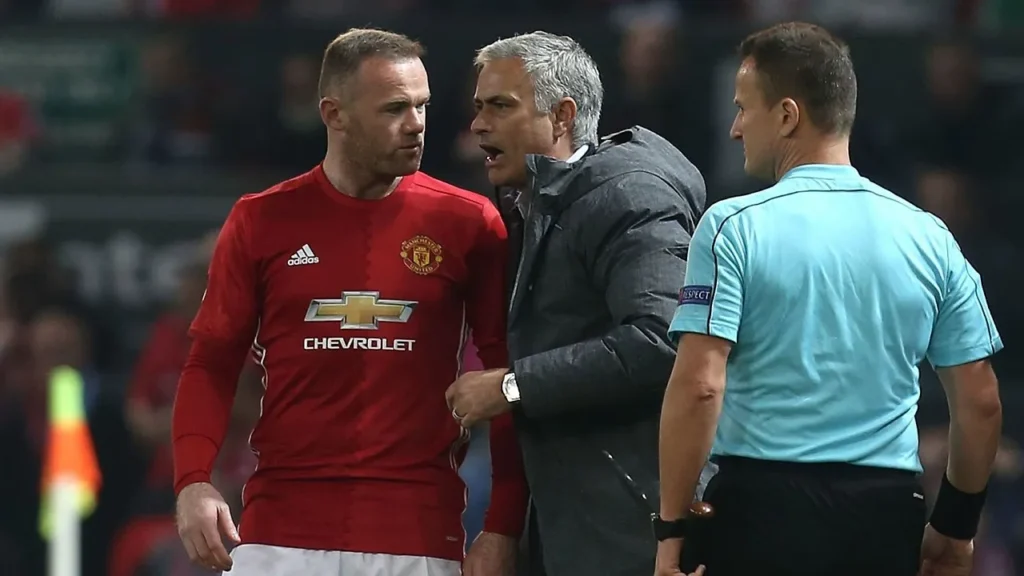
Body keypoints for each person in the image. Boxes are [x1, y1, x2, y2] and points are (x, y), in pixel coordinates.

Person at [171, 28, 528, 576]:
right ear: (334, 114)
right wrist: (194, 481)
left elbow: (506, 377)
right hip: (278, 537)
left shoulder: (470, 222)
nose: (417, 124)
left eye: (422, 105)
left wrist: (502, 524)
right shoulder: (261, 219)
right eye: (395, 109)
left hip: (418, 537)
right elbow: (211, 363)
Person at [655, 22, 1004, 576]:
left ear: (788, 115)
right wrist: (955, 529)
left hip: (760, 514)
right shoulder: (931, 237)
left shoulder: (730, 227)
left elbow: (699, 386)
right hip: (886, 519)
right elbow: (981, 400)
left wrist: (671, 533)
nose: (734, 128)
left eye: (744, 108)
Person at [445, 31, 707, 576]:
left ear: (562, 116)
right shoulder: (538, 204)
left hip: (634, 525)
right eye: (477, 107)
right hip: (580, 521)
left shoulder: (628, 196)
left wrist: (512, 385)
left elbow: (661, 338)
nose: (478, 125)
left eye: (500, 106)